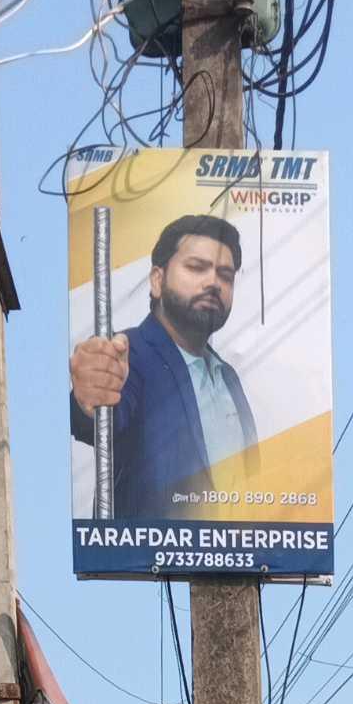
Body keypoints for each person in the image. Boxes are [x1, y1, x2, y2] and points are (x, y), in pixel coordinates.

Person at [69, 215, 257, 524]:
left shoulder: (227, 376)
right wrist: (89, 398)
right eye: (196, 267)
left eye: (225, 275)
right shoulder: (130, 353)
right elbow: (103, 418)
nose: (214, 283)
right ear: (157, 280)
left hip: (237, 546)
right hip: (153, 545)